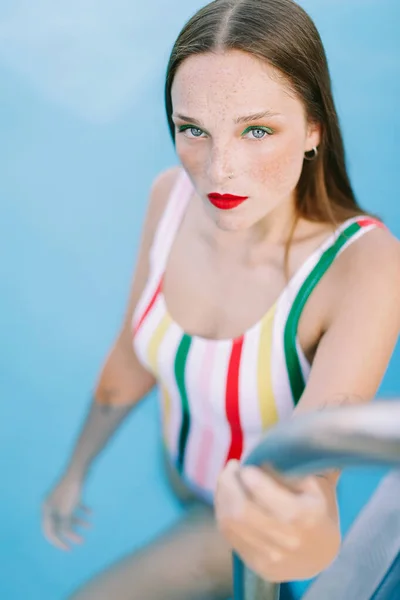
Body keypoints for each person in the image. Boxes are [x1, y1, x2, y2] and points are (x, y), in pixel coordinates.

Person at [42, 0, 400, 598]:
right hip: (182, 470)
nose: (217, 171)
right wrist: (75, 470)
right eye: (193, 130)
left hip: (240, 522)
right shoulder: (170, 197)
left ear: (314, 127)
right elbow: (129, 361)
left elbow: (314, 488)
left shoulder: (364, 269)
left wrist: (303, 536)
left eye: (257, 129)